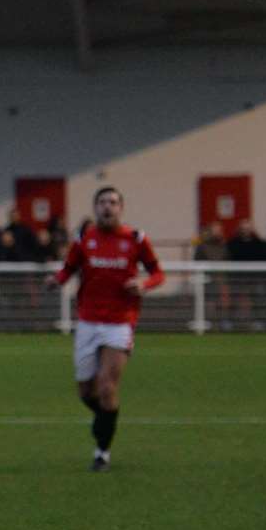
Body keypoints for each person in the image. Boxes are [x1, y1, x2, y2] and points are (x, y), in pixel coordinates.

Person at [45, 186, 163, 472]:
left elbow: (158, 273)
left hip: (119, 323)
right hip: (87, 322)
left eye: (112, 202)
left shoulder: (136, 239)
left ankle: (102, 453)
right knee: (86, 391)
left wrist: (143, 284)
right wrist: (57, 280)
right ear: (95, 207)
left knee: (108, 387)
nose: (107, 207)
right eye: (102, 202)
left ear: (121, 208)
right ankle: (105, 419)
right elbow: (69, 268)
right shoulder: (84, 238)